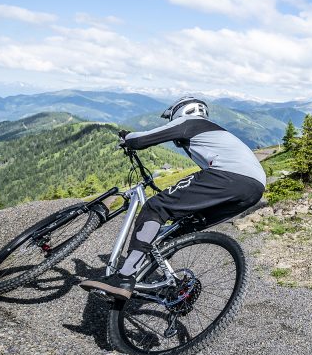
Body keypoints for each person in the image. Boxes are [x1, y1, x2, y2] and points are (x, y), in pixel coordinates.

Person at [81, 96, 266, 294]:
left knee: (155, 207)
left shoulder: (190, 123)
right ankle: (170, 287)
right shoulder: (218, 134)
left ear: (180, 112)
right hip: (254, 188)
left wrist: (127, 138)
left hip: (228, 176)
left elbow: (141, 140)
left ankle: (124, 277)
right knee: (180, 229)